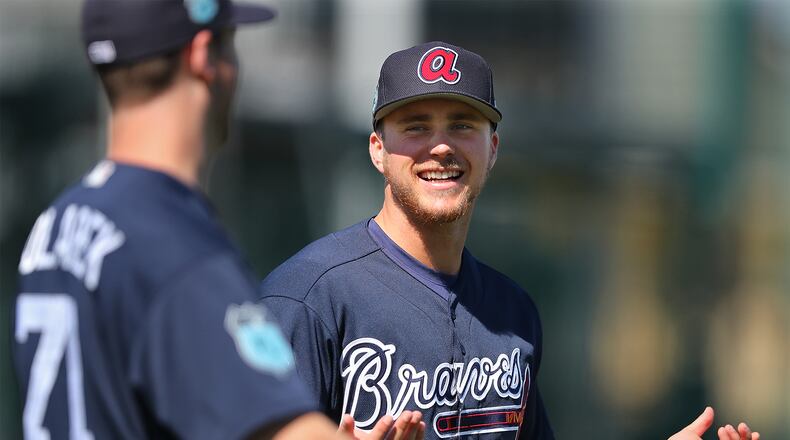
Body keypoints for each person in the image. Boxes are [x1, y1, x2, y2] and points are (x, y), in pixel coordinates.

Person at [258, 41, 760, 440]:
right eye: (415, 126)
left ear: (492, 148)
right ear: (378, 150)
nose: (441, 146)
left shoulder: (512, 312)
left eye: (462, 125)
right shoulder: (306, 299)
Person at [11, 1, 425, 439]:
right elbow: (282, 430)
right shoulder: (173, 243)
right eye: (231, 46)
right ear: (202, 54)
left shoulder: (56, 223)